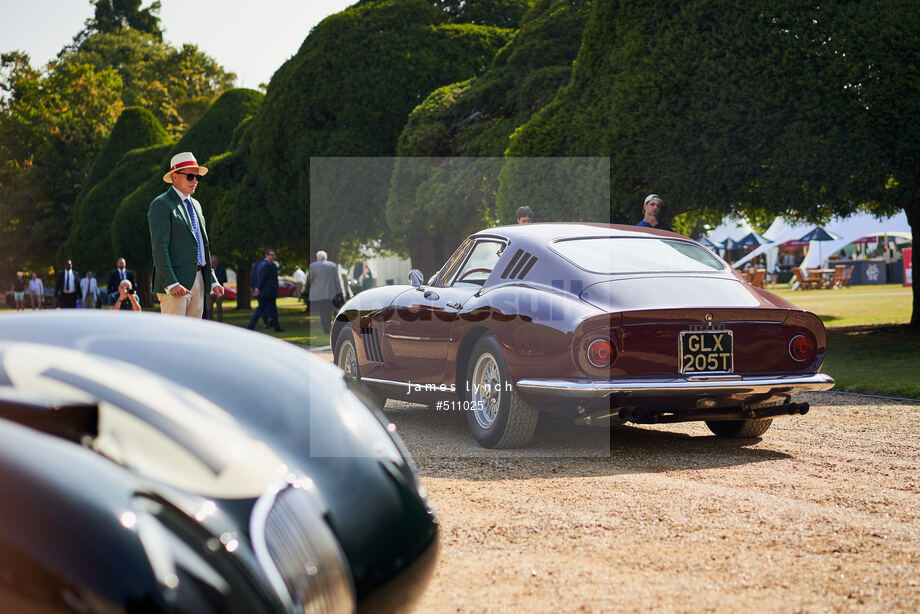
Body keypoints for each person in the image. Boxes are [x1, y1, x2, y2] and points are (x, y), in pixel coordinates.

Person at [148, 152, 224, 317]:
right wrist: (170, 282)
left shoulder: (196, 204)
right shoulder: (161, 204)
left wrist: (212, 279)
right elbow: (159, 247)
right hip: (175, 284)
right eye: (190, 176)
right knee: (172, 338)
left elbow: (202, 246)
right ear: (174, 176)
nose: (195, 181)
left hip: (199, 281)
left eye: (197, 177)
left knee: (191, 338)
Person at [247, 248, 284, 332]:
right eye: (271, 255)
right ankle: (250, 327)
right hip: (266, 292)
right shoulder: (265, 264)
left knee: (272, 310)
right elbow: (261, 278)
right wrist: (258, 288)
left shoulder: (271, 264)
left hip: (270, 291)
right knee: (261, 310)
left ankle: (277, 327)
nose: (273, 256)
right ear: (266, 255)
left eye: (274, 255)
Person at [306, 250, 342, 336]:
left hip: (319, 294)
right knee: (329, 312)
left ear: (318, 257)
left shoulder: (313, 266)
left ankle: (326, 330)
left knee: (323, 312)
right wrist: (339, 292)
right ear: (326, 257)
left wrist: (307, 289)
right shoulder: (333, 266)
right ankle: (328, 329)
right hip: (330, 293)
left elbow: (309, 279)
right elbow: (336, 281)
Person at [208, 254, 228, 321]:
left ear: (217, 261)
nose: (213, 262)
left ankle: (220, 322)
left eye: (215, 260)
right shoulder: (207, 270)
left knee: (219, 308)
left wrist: (217, 281)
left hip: (219, 291)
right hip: (209, 291)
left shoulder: (222, 269)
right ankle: (210, 322)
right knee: (209, 308)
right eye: (212, 260)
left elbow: (225, 279)